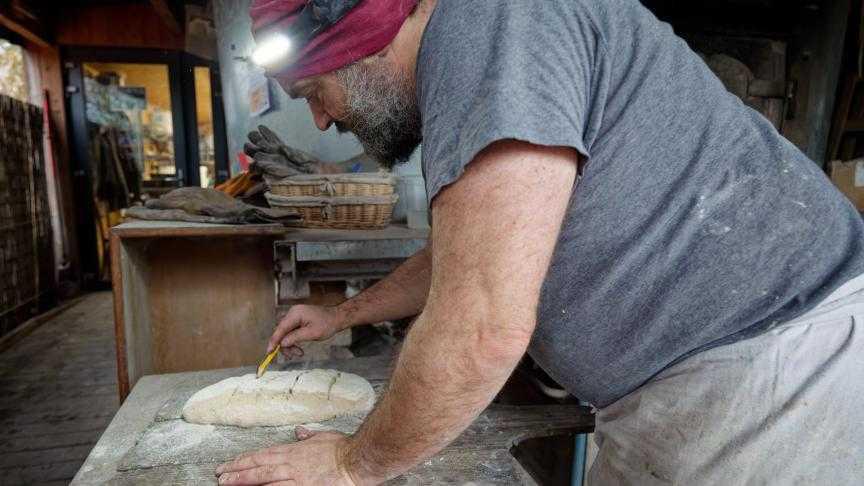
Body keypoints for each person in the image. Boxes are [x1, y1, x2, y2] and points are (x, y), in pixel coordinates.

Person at [216, 0, 864, 484]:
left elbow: (482, 330)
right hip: (706, 384)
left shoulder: (490, 25)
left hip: (772, 380)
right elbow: (469, 255)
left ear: (361, 42)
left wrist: (351, 465)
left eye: (314, 92)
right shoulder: (482, 38)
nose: (321, 119)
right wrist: (342, 315)